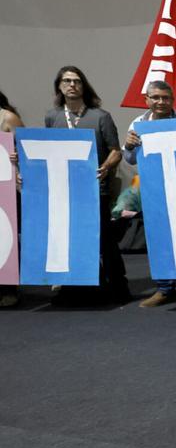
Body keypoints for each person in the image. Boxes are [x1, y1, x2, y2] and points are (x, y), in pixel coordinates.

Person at [41, 66, 129, 305]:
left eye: (77, 81)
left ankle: (119, 286)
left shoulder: (101, 116)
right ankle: (79, 286)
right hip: (65, 189)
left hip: (95, 189)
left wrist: (106, 167)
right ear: (59, 86)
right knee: (71, 237)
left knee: (104, 239)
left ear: (84, 86)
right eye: (67, 81)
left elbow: (115, 151)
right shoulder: (52, 117)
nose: (72, 85)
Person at [122, 81, 176, 310]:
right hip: (155, 190)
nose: (161, 102)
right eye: (156, 97)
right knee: (159, 237)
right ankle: (164, 289)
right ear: (147, 100)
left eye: (166, 98)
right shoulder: (138, 124)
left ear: (173, 100)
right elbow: (130, 160)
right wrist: (129, 146)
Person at [1, 89, 24, 307]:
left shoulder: (6, 117)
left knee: (5, 236)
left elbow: (25, 146)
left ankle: (8, 288)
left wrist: (17, 153)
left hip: (4, 188)